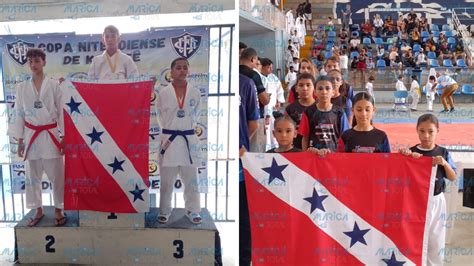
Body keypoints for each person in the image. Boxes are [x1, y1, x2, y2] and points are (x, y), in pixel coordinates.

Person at [7, 48, 66, 226]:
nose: (33, 65)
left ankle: (58, 209)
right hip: (31, 135)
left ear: (44, 62)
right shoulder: (22, 87)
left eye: (37, 61)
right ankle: (38, 209)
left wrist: (64, 136)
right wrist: (19, 140)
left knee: (57, 175)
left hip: (50, 134)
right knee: (33, 176)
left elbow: (62, 111)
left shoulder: (55, 85)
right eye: (30, 61)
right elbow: (18, 114)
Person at [399, 114, 457, 265]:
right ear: (416, 131)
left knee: (435, 239)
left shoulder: (443, 153)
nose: (426, 136)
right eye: (422, 131)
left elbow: (453, 177)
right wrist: (405, 157)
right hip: (415, 202)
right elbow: (399, 178)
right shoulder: (411, 152)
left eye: (430, 131)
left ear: (437, 131)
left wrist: (444, 164)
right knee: (414, 237)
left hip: (436, 200)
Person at [155, 58, 202, 224]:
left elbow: (196, 115)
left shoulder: (195, 92)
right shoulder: (163, 93)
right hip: (170, 139)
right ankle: (165, 210)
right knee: (166, 181)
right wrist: (169, 130)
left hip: (188, 138)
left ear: (188, 71)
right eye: (178, 68)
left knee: (191, 180)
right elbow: (160, 116)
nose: (182, 70)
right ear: (172, 71)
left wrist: (185, 127)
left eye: (185, 68)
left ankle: (193, 210)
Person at [298, 76, 349, 155]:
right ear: (315, 92)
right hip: (314, 156)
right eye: (320, 89)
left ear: (333, 92)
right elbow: (305, 138)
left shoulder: (339, 112)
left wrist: (341, 156)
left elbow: (344, 137)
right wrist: (306, 155)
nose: (324, 92)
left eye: (327, 88)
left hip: (334, 156)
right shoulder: (308, 112)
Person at [239, 73, 259, 266]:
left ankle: (244, 261)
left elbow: (253, 123)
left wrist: (240, 144)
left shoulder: (246, 84)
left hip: (240, 165)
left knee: (244, 219)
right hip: (214, 161)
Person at [240, 48, 270, 152]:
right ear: (252, 59)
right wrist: (268, 96)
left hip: (238, 119)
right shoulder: (253, 75)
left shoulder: (231, 74)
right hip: (253, 119)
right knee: (255, 157)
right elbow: (264, 100)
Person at [285, 73, 317, 150]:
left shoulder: (320, 107)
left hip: (316, 149)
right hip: (295, 148)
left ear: (314, 88)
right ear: (296, 88)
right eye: (301, 85)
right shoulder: (290, 109)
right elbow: (286, 129)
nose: (305, 88)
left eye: (308, 85)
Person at [261, 58, 285, 149]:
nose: (271, 70)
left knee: (272, 130)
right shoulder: (259, 78)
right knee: (265, 132)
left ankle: (273, 147)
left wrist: (279, 101)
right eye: (269, 67)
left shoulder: (273, 77)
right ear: (262, 67)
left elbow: (279, 89)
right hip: (263, 110)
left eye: (272, 67)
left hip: (272, 108)